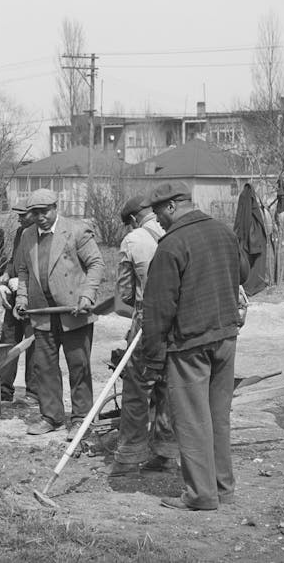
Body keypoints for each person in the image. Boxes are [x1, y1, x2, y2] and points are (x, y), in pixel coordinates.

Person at [141, 181, 248, 511]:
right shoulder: (224, 232)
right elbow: (242, 273)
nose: (156, 219)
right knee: (218, 417)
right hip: (225, 338)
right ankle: (222, 487)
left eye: (158, 212)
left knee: (191, 420)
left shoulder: (170, 245)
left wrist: (153, 360)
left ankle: (201, 495)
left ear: (172, 206)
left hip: (190, 345)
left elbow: (158, 308)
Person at [14, 189, 105, 439]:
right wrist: (22, 297)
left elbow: (96, 263)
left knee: (79, 366)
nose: (40, 217)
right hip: (42, 313)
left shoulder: (76, 230)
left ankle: (81, 419)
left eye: (45, 212)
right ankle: (51, 416)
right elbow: (23, 270)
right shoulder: (27, 235)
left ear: (56, 207)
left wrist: (87, 295)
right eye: (35, 213)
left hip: (74, 312)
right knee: (44, 368)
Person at [110, 194, 179, 477]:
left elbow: (125, 292)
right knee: (168, 388)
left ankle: (129, 456)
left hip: (146, 320)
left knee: (137, 388)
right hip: (176, 322)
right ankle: (166, 454)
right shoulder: (175, 231)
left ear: (133, 219)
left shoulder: (133, 240)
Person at [0, 201, 37, 405]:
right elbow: (14, 261)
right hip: (13, 294)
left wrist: (21, 283)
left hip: (34, 297)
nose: (19, 219)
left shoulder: (42, 236)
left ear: (35, 214)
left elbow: (39, 270)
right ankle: (2, 391)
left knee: (34, 344)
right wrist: (4, 277)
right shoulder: (21, 232)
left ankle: (34, 393)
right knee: (8, 340)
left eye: (24, 215)